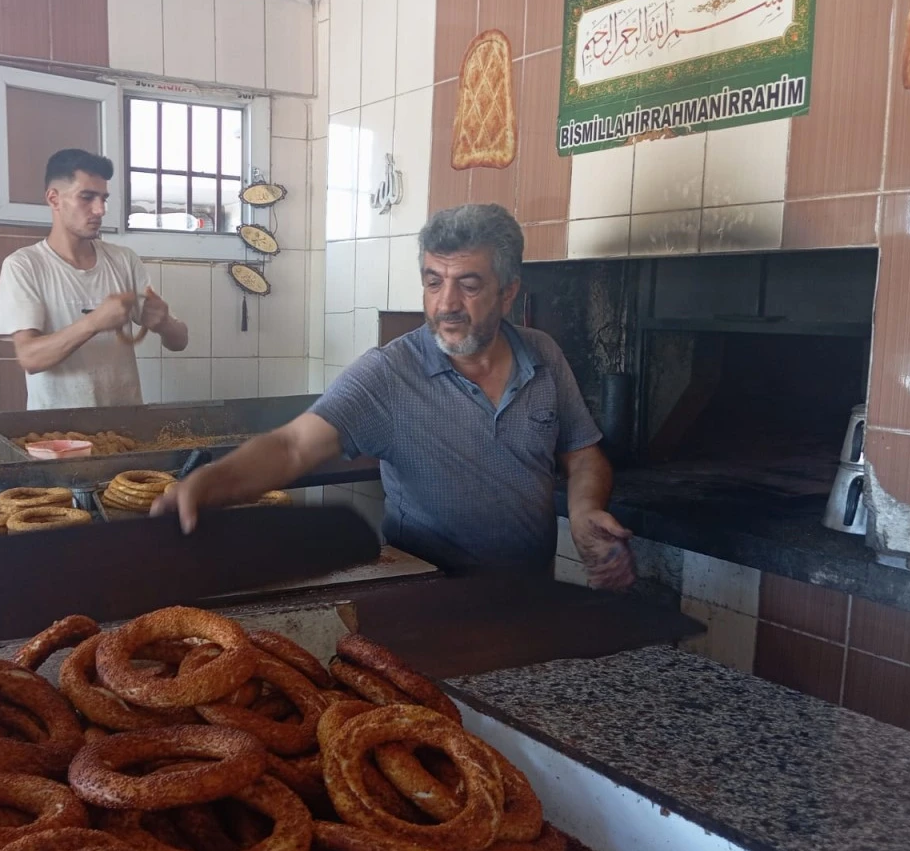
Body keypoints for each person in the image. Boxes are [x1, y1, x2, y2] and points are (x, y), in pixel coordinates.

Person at [154, 203, 635, 590]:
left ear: (509, 293)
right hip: (426, 603)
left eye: (468, 285)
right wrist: (210, 482)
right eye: (432, 282)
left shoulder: (543, 355)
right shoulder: (389, 373)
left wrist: (586, 510)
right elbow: (292, 446)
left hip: (531, 597)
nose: (445, 303)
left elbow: (583, 453)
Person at [0, 149, 188, 409]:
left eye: (103, 198)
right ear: (54, 199)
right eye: (86, 197)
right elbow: (30, 357)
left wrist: (165, 323)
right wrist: (94, 322)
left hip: (126, 428)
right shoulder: (24, 265)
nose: (99, 210)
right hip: (57, 434)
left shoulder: (123, 260)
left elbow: (179, 342)